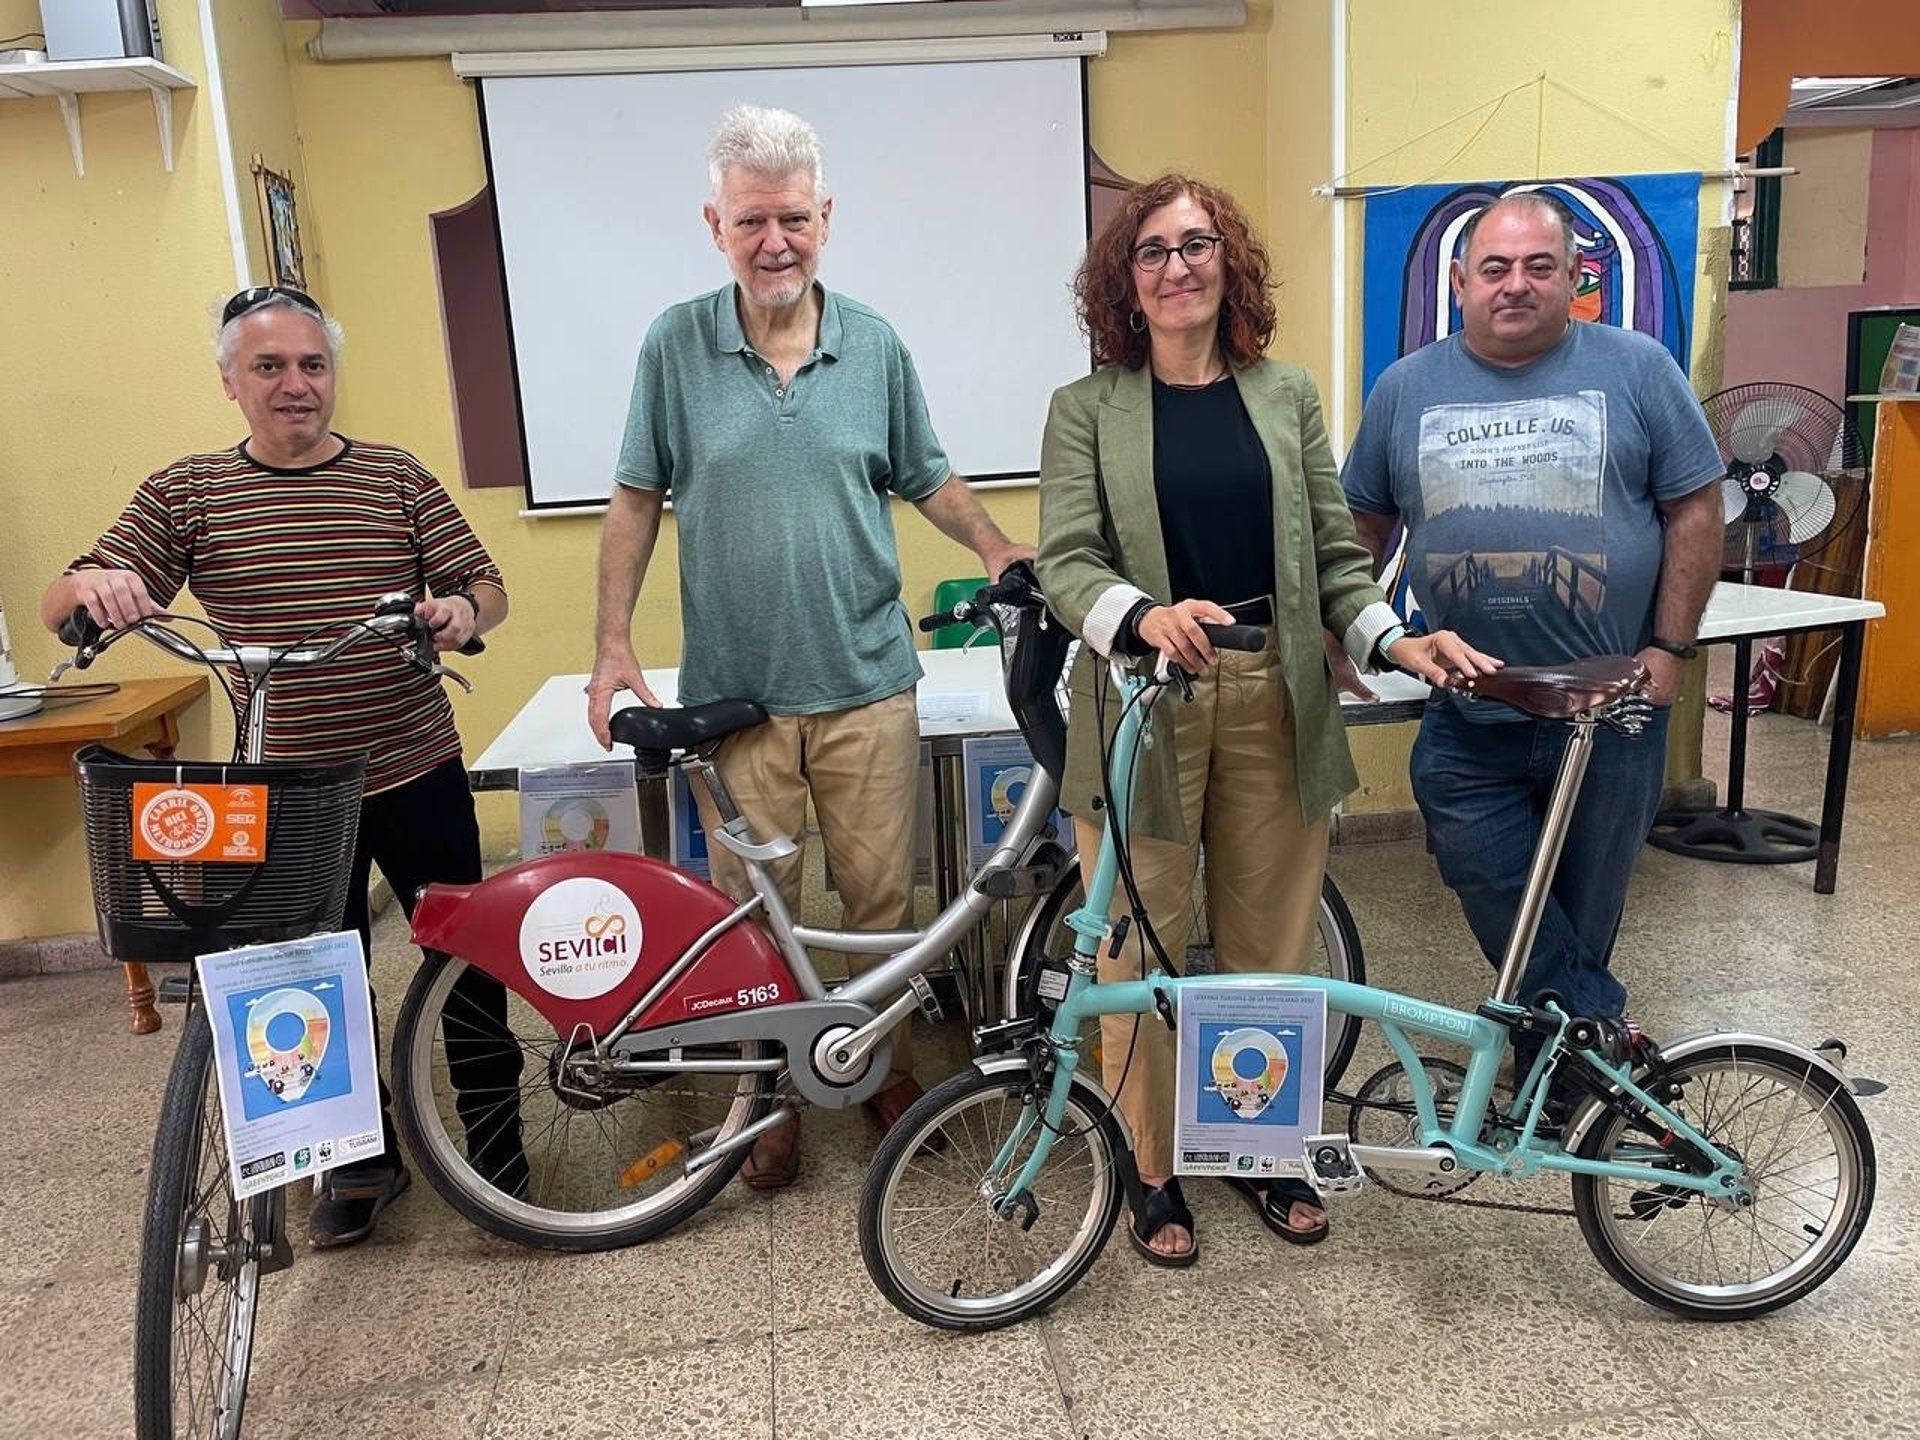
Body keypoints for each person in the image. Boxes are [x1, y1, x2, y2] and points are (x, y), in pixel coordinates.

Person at [1036, 173, 1493, 1266]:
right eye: (1152, 250)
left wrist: (1393, 639)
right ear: (1124, 281)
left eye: (1196, 244)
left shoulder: (1285, 395)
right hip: (1142, 705)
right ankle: (1149, 1170)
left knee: (1269, 948)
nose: (1177, 265)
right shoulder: (1084, 410)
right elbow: (1065, 561)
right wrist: (1143, 615)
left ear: (1226, 263)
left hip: (1274, 697)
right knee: (1133, 951)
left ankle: (1258, 1150)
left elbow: (1338, 559)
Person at [586, 105, 1031, 1189]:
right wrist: (611, 643)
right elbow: (637, 500)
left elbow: (926, 475)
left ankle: (879, 1072)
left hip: (868, 686)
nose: (774, 239)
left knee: (880, 910)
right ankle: (765, 1093)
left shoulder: (872, 342)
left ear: (826, 217)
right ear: (715, 224)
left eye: (793, 217)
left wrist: (997, 541)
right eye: (752, 221)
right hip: (736, 699)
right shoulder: (673, 346)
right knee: (751, 919)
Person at [41, 286, 524, 1248]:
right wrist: (92, 586)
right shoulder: (190, 493)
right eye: (270, 367)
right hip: (287, 791)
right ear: (230, 382)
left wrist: (465, 613)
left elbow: (487, 585)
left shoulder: (395, 478)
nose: (296, 385)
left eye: (312, 365)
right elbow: (67, 599)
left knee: (463, 961)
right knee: (313, 979)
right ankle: (357, 1163)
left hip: (415, 763)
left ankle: (495, 1141)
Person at [1341, 193, 1724, 1085]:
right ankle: (1600, 1035)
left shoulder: (1639, 369)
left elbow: (1694, 505)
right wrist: (1352, 639)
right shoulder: (1406, 388)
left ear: (1573, 278)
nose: (1516, 285)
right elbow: (1360, 526)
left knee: (1587, 903)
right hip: (1472, 704)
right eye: (1497, 268)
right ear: (1461, 280)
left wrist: (1670, 646)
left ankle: (1554, 1071)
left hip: (1611, 704)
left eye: (1538, 266)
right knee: (1487, 872)